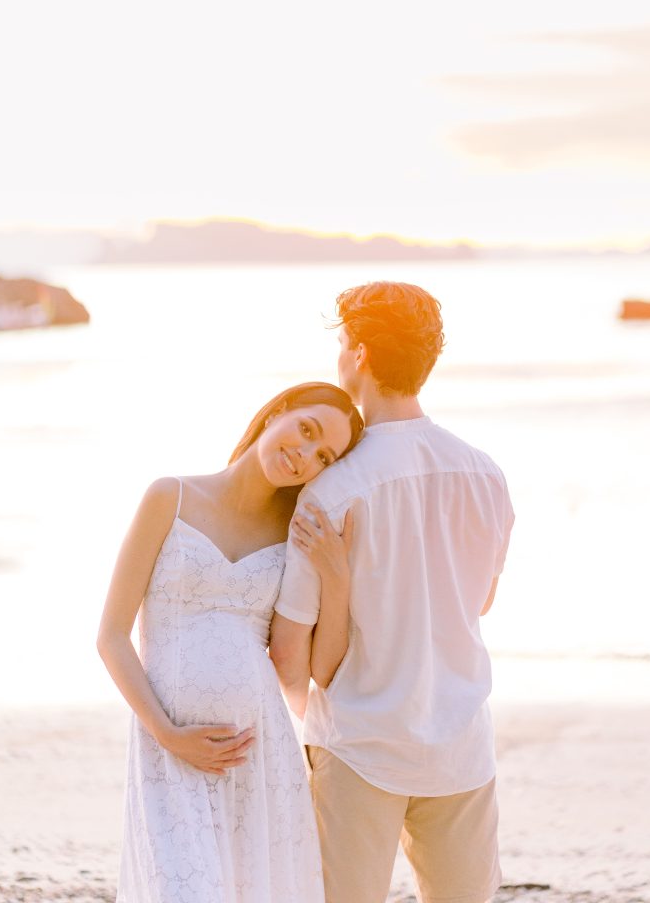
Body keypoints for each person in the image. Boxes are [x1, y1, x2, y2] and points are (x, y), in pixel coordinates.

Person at [270, 282, 515, 903]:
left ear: (357, 354)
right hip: (460, 744)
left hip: (358, 748)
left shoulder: (331, 491)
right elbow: (478, 601)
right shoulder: (485, 474)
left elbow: (289, 658)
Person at [97, 381, 363, 903]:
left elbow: (314, 665)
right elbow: (111, 635)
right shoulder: (169, 496)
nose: (304, 455)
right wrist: (167, 734)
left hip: (258, 756)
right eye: (306, 430)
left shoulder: (295, 534)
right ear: (277, 412)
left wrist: (337, 576)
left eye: (323, 456)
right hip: (169, 752)